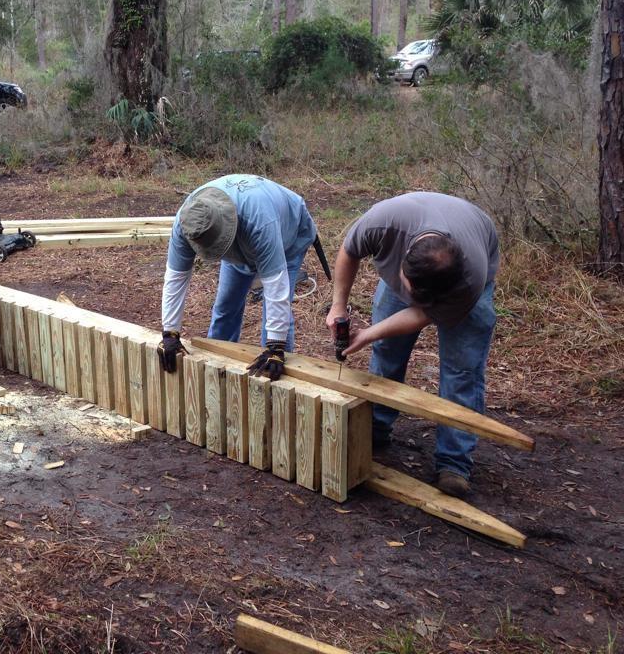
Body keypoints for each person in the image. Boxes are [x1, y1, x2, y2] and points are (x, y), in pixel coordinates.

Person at [326, 192, 499, 497]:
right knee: (387, 352)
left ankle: (454, 464)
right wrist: (338, 305)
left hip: (468, 270)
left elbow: (422, 314)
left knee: (462, 373)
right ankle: (375, 429)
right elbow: (349, 251)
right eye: (412, 291)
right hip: (412, 256)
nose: (415, 300)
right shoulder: (383, 223)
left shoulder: (468, 279)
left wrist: (370, 332)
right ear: (403, 267)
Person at [157, 174, 318, 381]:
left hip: (288, 237)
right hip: (241, 244)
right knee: (225, 307)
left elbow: (276, 285)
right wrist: (170, 332)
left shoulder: (259, 222)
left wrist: (275, 347)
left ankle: (276, 384)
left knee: (274, 319)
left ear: (226, 229)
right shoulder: (188, 223)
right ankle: (214, 374)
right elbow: (175, 278)